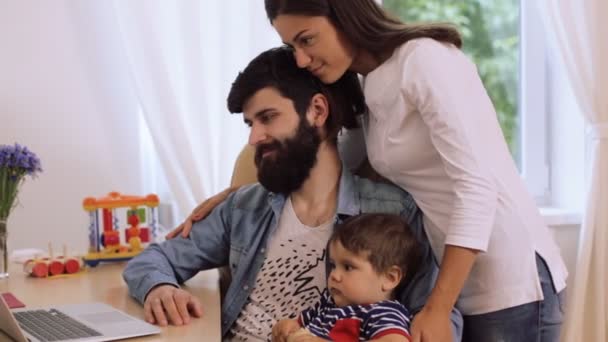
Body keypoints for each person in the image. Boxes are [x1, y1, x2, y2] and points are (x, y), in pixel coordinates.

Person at [169, 1, 568, 341]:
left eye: (307, 39)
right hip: (453, 270)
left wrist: (437, 305)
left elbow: (477, 186)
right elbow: (337, 156)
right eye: (292, 46)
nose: (302, 59)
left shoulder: (424, 59)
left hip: (507, 275)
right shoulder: (365, 83)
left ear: (345, 13)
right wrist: (243, 191)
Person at [124, 47, 463, 341]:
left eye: (268, 118)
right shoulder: (244, 207)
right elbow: (152, 260)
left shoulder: (392, 212)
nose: (254, 137)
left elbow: (438, 316)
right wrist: (160, 288)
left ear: (317, 111)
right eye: (250, 123)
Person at [273, 213, 421, 342]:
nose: (334, 275)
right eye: (333, 265)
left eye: (348, 267)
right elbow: (297, 323)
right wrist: (287, 328)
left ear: (390, 278)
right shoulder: (328, 302)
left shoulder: (384, 313)